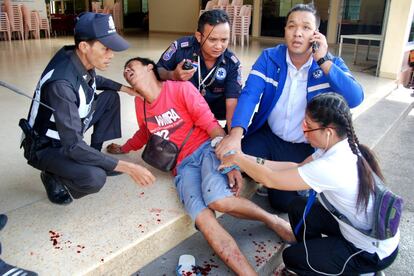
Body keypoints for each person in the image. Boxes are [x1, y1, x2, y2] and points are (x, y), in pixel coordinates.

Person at [107, 57, 292, 275]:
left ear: (150, 68)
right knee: (204, 222)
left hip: (206, 149)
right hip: (182, 167)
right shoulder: (140, 104)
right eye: (125, 69)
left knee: (219, 200)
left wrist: (230, 159)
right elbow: (145, 132)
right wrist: (125, 148)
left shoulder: (180, 89)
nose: (127, 70)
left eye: (132, 66)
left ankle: (272, 220)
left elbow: (210, 124)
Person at [219, 93, 399, 275]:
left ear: (328, 132)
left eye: (309, 126)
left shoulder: (332, 165)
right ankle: (318, 255)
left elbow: (270, 179)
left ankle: (361, 271)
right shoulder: (339, 146)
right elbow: (296, 167)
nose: (302, 129)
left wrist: (238, 158)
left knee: (292, 258)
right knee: (299, 206)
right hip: (356, 229)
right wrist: (245, 158)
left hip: (369, 251)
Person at [216, 3, 364, 212]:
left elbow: (356, 97)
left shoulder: (329, 64)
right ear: (285, 30)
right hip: (270, 136)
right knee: (235, 153)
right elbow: (249, 94)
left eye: (305, 27)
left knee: (283, 203)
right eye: (292, 26)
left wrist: (322, 60)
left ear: (315, 34)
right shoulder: (270, 57)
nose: (297, 33)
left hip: (303, 145)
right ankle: (270, 175)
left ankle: (280, 180)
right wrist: (236, 134)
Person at [23, 12, 155, 205]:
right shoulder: (61, 85)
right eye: (106, 49)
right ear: (84, 46)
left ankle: (94, 154)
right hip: (47, 146)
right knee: (94, 178)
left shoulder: (78, 56)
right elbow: (73, 145)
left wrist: (126, 89)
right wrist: (127, 167)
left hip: (68, 128)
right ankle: (52, 176)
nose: (111, 55)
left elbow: (93, 81)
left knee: (110, 98)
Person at [156, 9, 242, 131]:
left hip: (216, 107)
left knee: (242, 98)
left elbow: (232, 102)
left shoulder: (232, 63)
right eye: (212, 40)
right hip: (184, 108)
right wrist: (172, 75)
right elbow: (156, 71)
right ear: (198, 36)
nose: (218, 46)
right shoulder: (181, 48)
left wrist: (232, 136)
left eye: (224, 40)